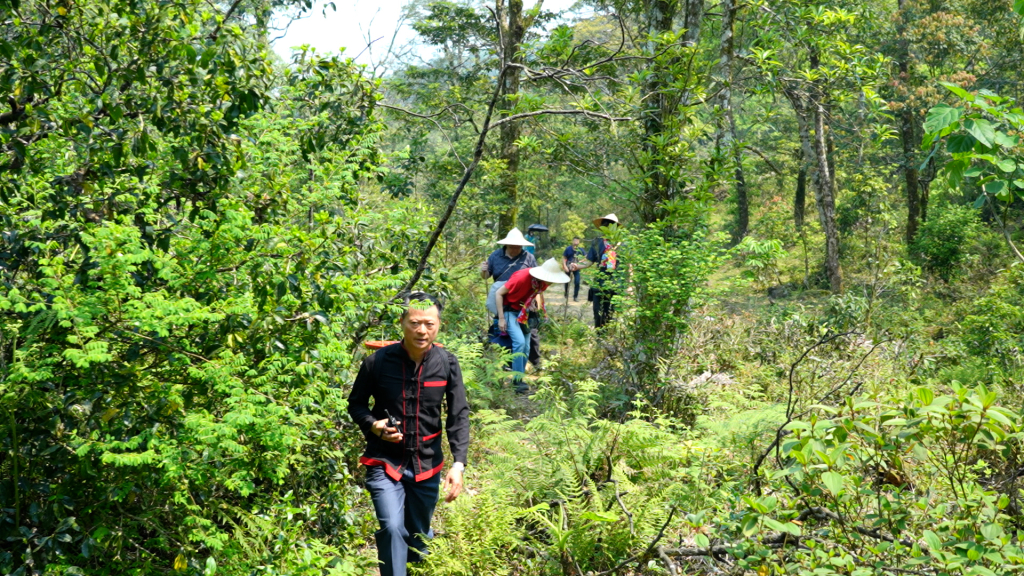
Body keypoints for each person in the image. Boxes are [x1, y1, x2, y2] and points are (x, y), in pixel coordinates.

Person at [347, 292, 469, 576]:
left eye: (429, 323)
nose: (421, 330)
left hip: (427, 464)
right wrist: (373, 425)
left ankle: (415, 564)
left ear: (439, 325)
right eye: (414, 322)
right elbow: (356, 404)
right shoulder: (377, 362)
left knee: (418, 537)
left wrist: (458, 464)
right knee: (391, 527)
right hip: (384, 461)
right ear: (401, 322)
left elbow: (458, 415)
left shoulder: (447, 363)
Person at [494, 259, 569, 392]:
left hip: (524, 312)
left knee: (527, 346)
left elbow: (536, 293)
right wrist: (501, 318)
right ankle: (517, 381)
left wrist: (533, 301)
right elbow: (499, 293)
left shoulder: (543, 283)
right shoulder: (521, 278)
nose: (551, 282)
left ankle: (520, 376)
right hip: (509, 310)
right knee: (519, 342)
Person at [576, 213, 621, 328]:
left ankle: (609, 340)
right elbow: (589, 261)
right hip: (600, 284)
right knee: (598, 313)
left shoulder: (622, 244)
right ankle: (599, 339)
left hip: (616, 285)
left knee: (612, 315)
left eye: (610, 225)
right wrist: (576, 266)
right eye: (605, 225)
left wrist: (629, 285)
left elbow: (629, 265)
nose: (607, 228)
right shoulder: (597, 242)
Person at [561, 236, 583, 301]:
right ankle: (566, 294)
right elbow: (564, 258)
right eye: (575, 241)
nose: (576, 242)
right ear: (573, 241)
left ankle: (575, 296)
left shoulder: (580, 249)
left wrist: (579, 263)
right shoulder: (568, 249)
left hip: (576, 267)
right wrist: (565, 266)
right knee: (567, 281)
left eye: (577, 241)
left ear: (579, 242)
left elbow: (586, 257)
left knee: (577, 281)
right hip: (568, 265)